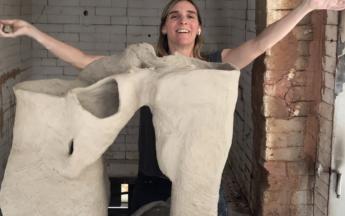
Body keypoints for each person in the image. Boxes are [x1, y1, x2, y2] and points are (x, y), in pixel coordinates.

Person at [1, 0, 344, 215]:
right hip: (152, 181)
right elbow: (86, 62)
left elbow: (257, 44)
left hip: (200, 185)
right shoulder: (147, 63)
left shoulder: (215, 63)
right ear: (165, 26)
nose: (183, 20)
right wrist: (33, 32)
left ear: (198, 27)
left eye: (190, 15)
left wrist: (307, 7)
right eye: (175, 15)